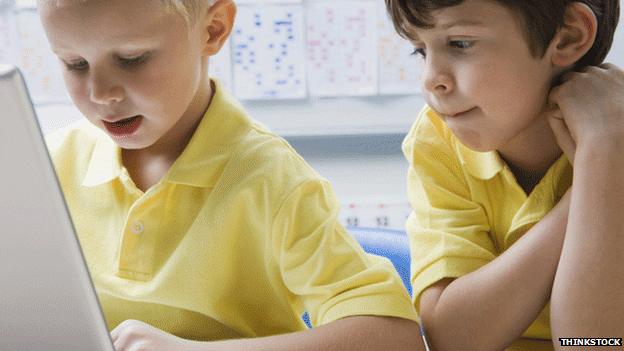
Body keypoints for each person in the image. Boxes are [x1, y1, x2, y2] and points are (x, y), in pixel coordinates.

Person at [37, 0, 426, 350]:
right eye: (75, 64)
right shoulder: (50, 164)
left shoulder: (271, 178)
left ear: (213, 30)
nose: (101, 93)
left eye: (133, 58)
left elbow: (393, 337)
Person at [384, 0, 623, 349]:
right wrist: (589, 182)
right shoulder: (438, 138)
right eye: (420, 50)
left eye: (461, 43)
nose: (431, 80)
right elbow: (451, 339)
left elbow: (590, 343)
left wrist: (605, 151)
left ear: (569, 36)